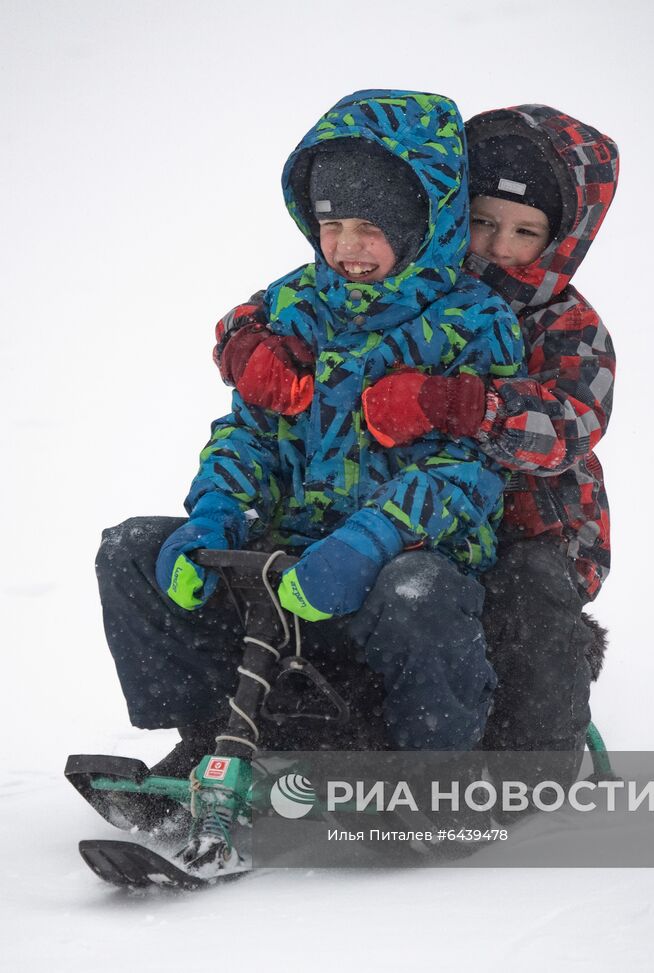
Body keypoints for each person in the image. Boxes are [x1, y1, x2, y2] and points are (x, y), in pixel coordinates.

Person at [96, 90, 524, 773]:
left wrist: (371, 539)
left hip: (397, 562)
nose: (346, 247)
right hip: (289, 564)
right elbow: (250, 433)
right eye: (332, 223)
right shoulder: (292, 305)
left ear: (424, 222)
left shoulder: (475, 323)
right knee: (131, 551)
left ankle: (431, 774)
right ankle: (209, 735)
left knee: (419, 591)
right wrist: (216, 511)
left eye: (370, 226)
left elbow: (468, 474)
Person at [216, 105, 619, 784]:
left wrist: (458, 403)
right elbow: (282, 303)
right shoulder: (410, 281)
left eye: (524, 232)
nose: (496, 246)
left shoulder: (567, 324)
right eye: (483, 222)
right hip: (400, 501)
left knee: (526, 604)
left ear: (561, 240)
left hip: (532, 523)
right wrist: (244, 342)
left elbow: (572, 422)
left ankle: (528, 760)